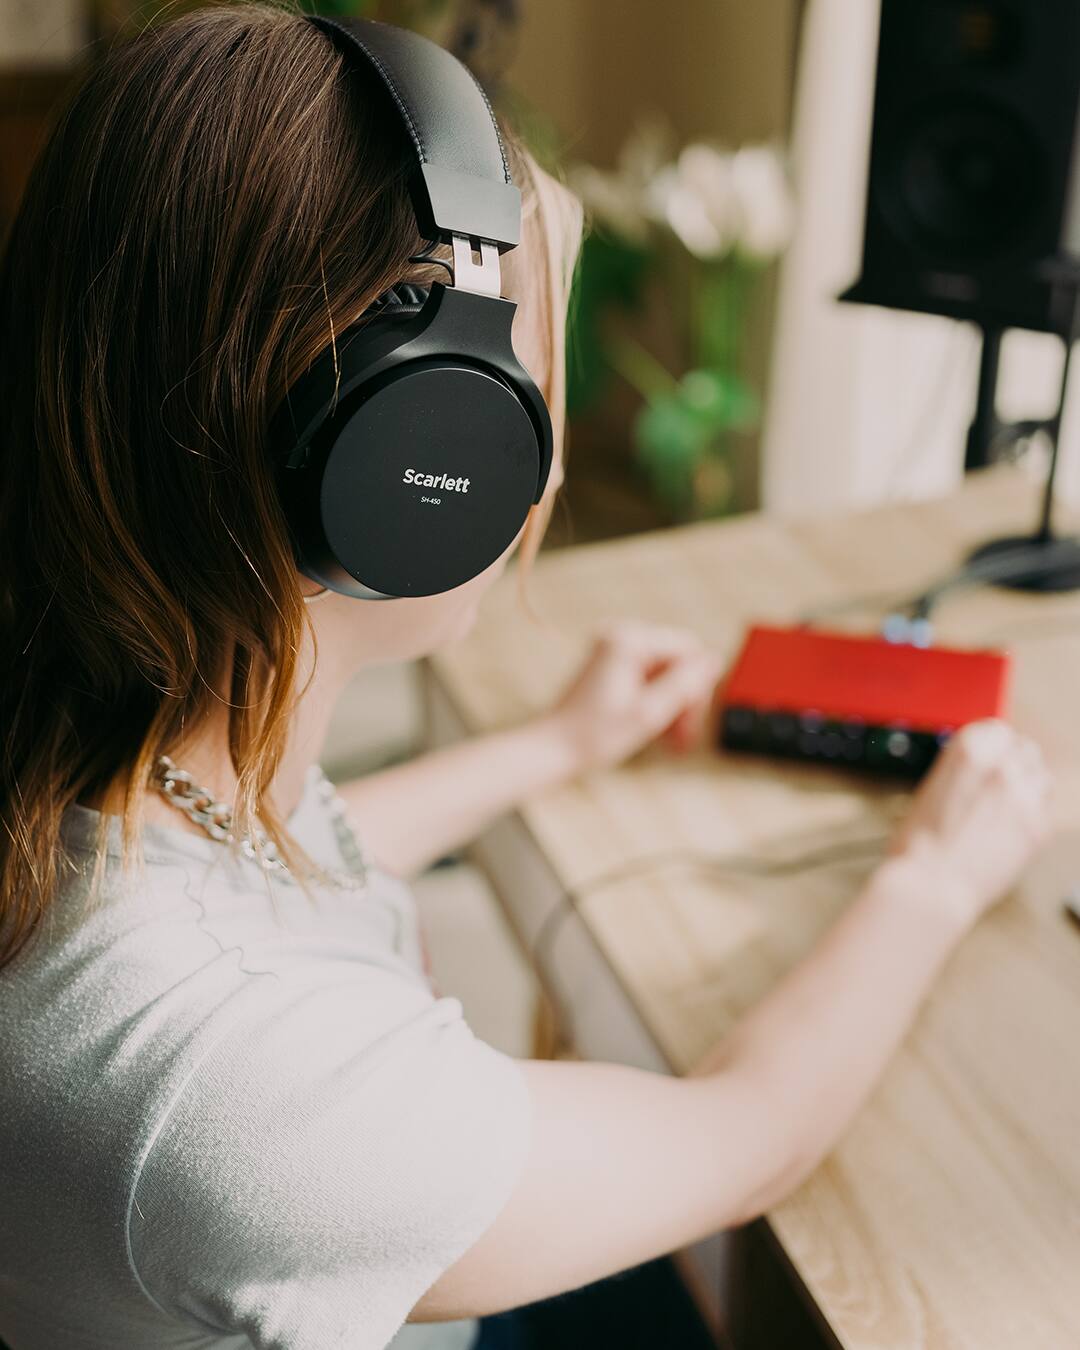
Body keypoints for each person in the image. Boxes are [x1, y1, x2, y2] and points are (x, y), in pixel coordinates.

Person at [0, 6, 1051, 1350]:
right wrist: (937, 875)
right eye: (530, 396)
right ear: (417, 458)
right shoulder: (250, 1101)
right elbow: (749, 1140)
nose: (542, 471)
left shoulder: (116, 746)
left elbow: (264, 883)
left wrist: (551, 748)